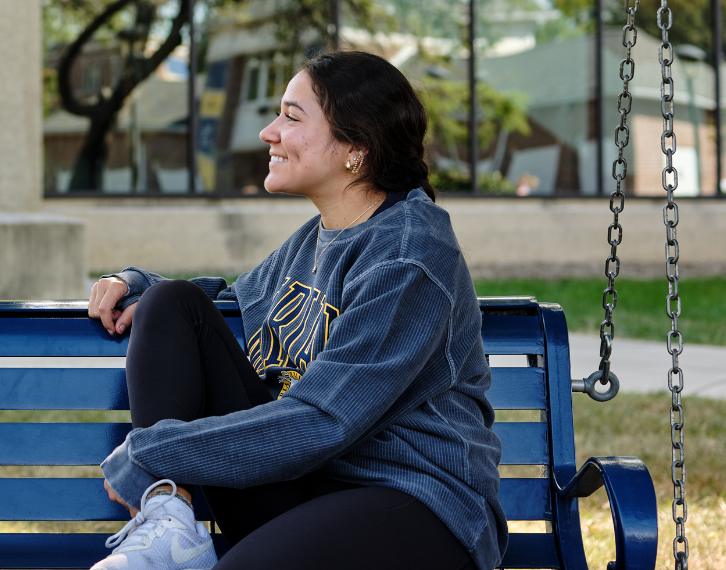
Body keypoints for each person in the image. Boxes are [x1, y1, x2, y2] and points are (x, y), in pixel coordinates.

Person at [83, 51, 506, 570]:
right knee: (172, 304)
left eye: (291, 116)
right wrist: (135, 285)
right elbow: (225, 305)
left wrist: (151, 451)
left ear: (355, 147)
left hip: (412, 499)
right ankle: (169, 524)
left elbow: (325, 420)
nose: (268, 132)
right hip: (304, 485)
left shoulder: (409, 255)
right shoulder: (318, 238)